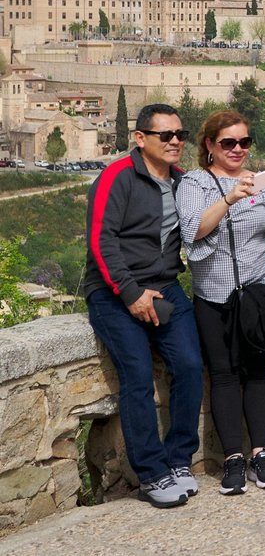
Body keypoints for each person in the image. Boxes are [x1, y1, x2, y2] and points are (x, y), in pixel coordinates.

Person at [82, 103, 202, 508]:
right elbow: (102, 241)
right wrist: (131, 293)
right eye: (165, 135)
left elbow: (201, 228)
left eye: (180, 136)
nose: (174, 143)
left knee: (188, 365)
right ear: (140, 138)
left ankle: (179, 460)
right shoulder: (116, 177)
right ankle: (151, 474)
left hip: (165, 286)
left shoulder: (183, 182)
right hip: (113, 292)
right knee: (136, 374)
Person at [176, 110, 265, 494]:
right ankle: (233, 458)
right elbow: (192, 230)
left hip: (257, 293)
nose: (237, 149)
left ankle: (261, 455)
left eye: (244, 142)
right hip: (213, 296)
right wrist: (230, 197)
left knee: (259, 374)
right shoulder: (195, 183)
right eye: (228, 142)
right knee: (225, 375)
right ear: (210, 146)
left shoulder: (264, 183)